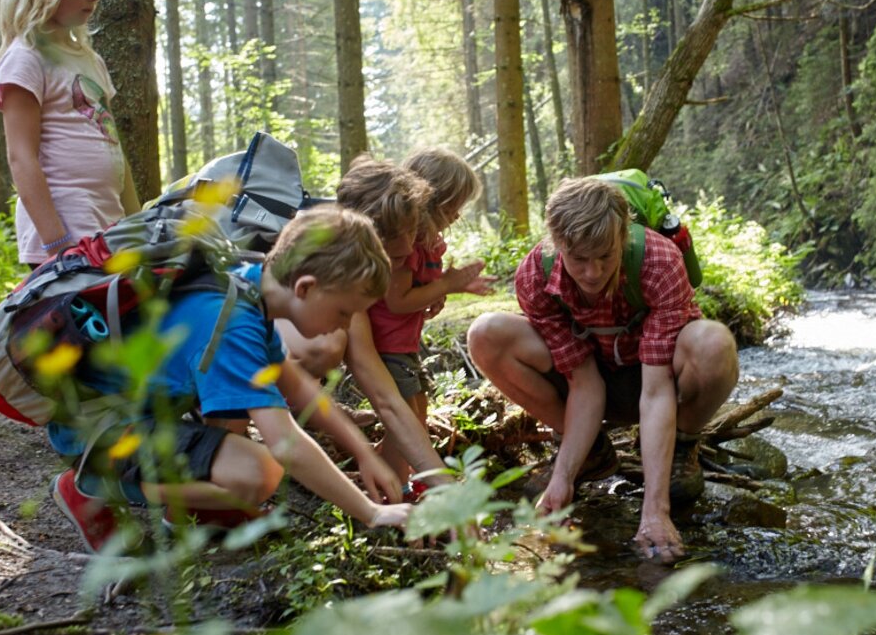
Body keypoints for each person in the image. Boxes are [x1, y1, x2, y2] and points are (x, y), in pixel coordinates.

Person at [50, 204, 412, 553]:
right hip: (98, 430)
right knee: (260, 472)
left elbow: (298, 387)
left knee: (243, 416)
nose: (345, 325)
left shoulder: (249, 284)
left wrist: (363, 452)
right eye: (343, 311)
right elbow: (287, 445)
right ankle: (92, 487)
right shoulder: (233, 326)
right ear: (305, 288)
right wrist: (371, 513)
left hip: (123, 416)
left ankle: (196, 505)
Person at [466, 176, 739, 562]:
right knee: (486, 333)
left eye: (605, 257)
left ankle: (679, 446)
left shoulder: (659, 261)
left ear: (624, 236)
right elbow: (584, 382)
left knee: (714, 343)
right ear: (557, 245)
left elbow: (657, 389)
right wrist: (562, 480)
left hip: (653, 377)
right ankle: (590, 453)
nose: (593, 273)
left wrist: (654, 511)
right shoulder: (535, 275)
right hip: (589, 379)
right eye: (579, 259)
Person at [276, 156, 450, 492]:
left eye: (406, 253)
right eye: (393, 258)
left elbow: (386, 397)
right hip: (232, 377)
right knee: (323, 346)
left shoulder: (362, 272)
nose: (399, 267)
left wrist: (444, 485)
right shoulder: (318, 270)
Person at [0, 0, 139, 267]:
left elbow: (113, 146)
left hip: (107, 229)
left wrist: (135, 223)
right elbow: (21, 158)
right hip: (64, 236)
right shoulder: (25, 57)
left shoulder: (90, 60)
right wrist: (58, 245)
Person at [371, 146, 494, 432]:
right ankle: (398, 474)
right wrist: (446, 284)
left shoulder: (425, 243)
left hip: (401, 344)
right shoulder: (406, 246)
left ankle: (409, 471)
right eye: (453, 208)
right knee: (406, 421)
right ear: (431, 201)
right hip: (386, 344)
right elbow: (398, 302)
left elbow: (415, 295)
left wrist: (441, 291)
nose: (457, 216)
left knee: (418, 413)